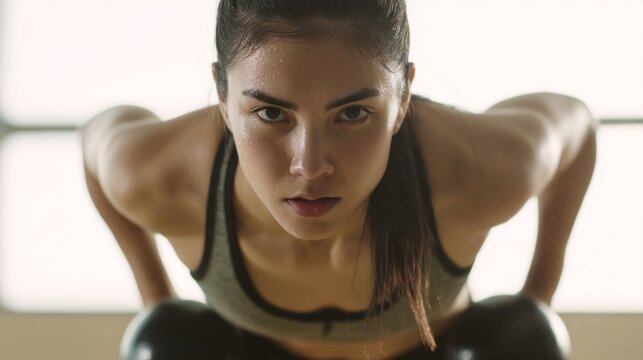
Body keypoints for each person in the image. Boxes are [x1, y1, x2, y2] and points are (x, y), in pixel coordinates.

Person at [80, 0, 598, 359]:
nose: (310, 165)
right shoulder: (166, 177)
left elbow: (575, 123)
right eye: (270, 114)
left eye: (352, 114)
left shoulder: (478, 169)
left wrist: (539, 296)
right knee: (163, 342)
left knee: (525, 340)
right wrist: (156, 300)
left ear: (402, 99)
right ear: (221, 93)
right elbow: (95, 145)